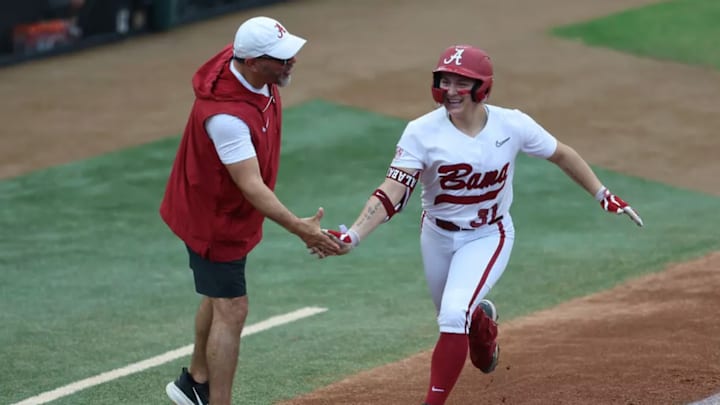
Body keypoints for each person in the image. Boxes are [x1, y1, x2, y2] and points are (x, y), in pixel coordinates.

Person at [323, 44, 643, 405]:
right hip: (437, 235)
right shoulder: (420, 132)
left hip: (490, 234)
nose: (451, 90)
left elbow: (562, 153)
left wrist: (603, 194)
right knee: (454, 316)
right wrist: (353, 235)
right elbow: (392, 191)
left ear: (482, 87)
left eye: (462, 82)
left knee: (453, 313)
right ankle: (483, 325)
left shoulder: (513, 124)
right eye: (445, 80)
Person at [159, 16, 340, 405]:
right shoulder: (226, 118)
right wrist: (301, 228)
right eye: (281, 58)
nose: (291, 62)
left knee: (217, 295)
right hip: (214, 219)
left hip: (226, 210)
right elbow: (251, 185)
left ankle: (194, 381)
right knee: (233, 309)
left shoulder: (249, 67)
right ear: (253, 62)